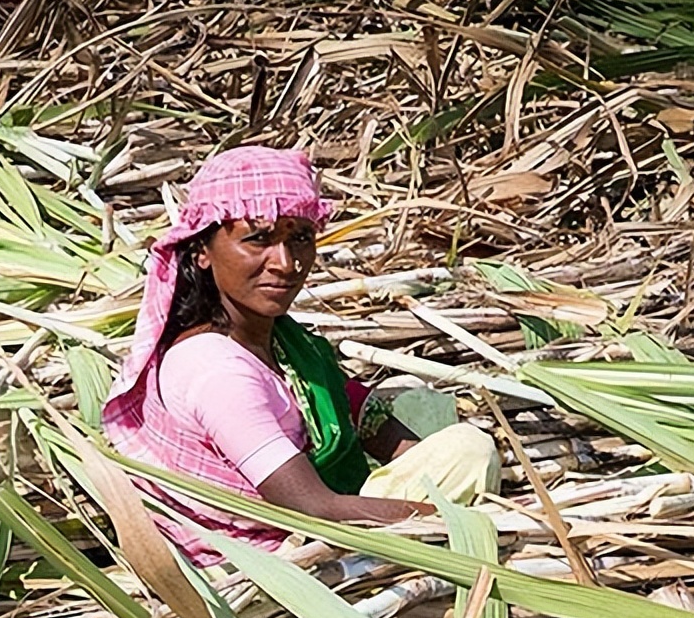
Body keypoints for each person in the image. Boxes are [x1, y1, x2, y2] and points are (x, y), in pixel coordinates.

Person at [102, 146, 500, 565]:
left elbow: (366, 420)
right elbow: (313, 510)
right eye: (258, 239)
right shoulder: (216, 370)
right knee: (470, 449)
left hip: (314, 531)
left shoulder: (284, 344)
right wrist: (467, 522)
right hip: (277, 562)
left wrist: (432, 472)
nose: (287, 263)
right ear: (202, 251)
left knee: (451, 437)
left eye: (301, 239)